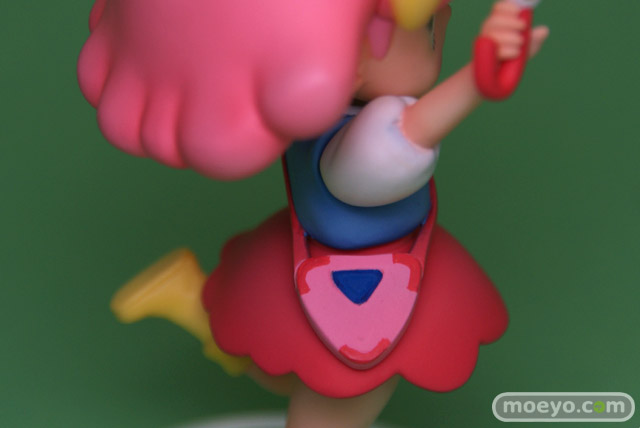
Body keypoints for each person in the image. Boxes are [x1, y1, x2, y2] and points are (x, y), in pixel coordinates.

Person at [79, 1, 548, 426]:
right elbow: (407, 135)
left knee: (296, 374)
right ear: (351, 57)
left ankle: (188, 301)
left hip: (327, 266)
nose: (443, 23)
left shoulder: (324, 122)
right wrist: (477, 80)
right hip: (366, 292)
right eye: (423, 27)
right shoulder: (363, 143)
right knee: (336, 402)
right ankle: (189, 304)